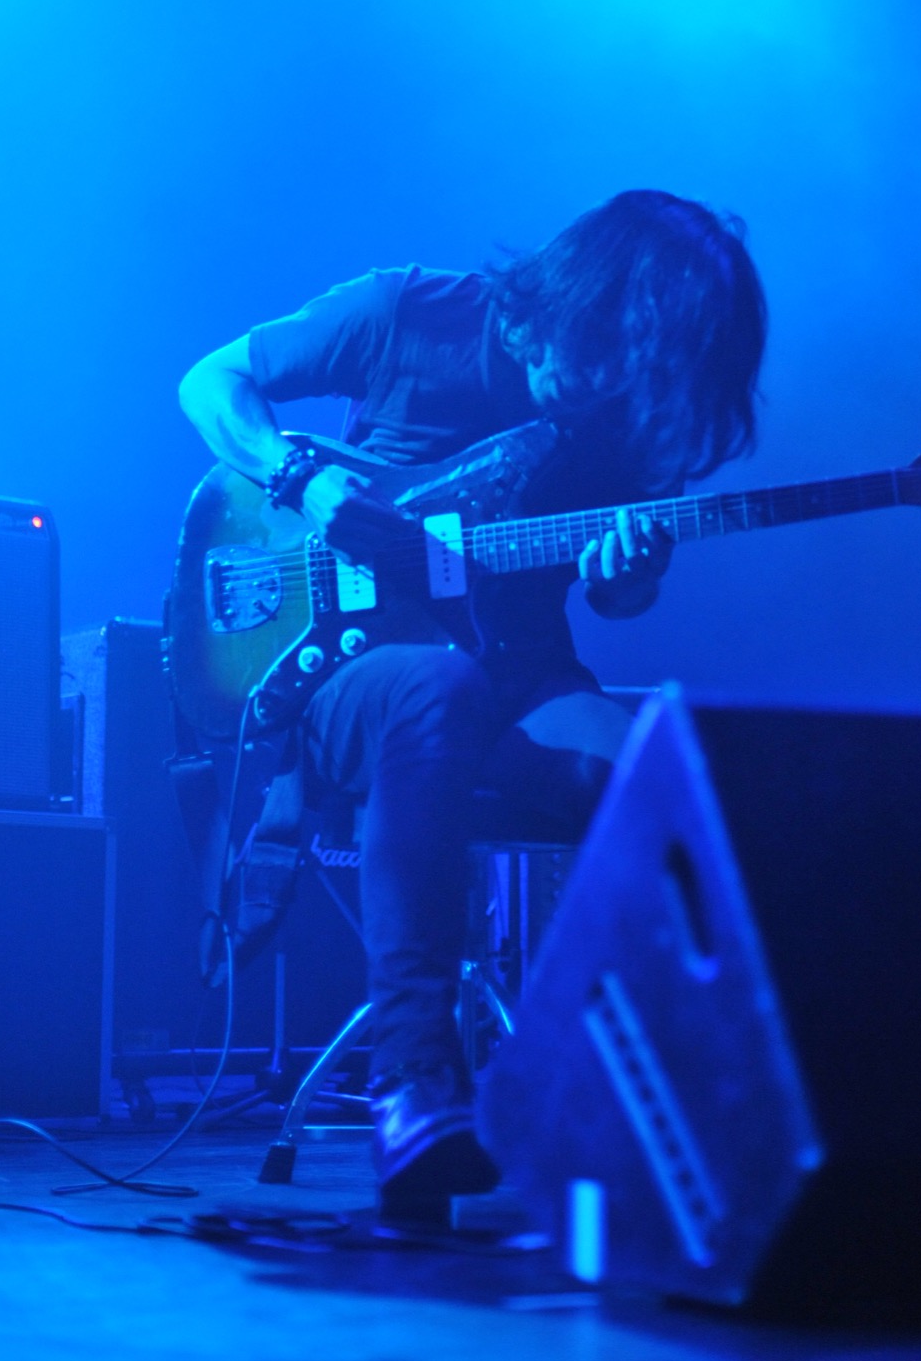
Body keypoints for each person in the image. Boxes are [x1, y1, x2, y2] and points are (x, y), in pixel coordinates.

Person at [178, 189, 767, 1214]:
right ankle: (414, 1083)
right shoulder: (407, 310)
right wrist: (298, 476)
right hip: (347, 672)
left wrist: (634, 570)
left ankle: (675, 1099)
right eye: (603, 353)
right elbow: (209, 380)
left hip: (523, 678)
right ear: (577, 296)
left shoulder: (626, 409)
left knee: (669, 780)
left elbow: (617, 595)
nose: (605, 386)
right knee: (434, 684)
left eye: (636, 371)